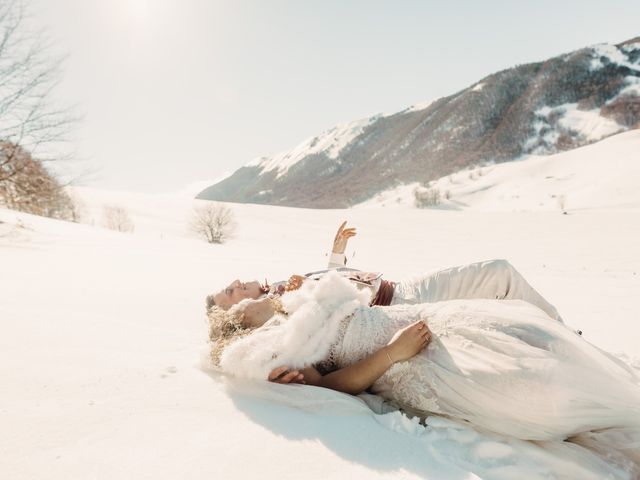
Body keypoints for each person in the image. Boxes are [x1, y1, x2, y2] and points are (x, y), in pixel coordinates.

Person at [208, 271, 640, 471]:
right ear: (240, 324)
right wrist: (393, 355)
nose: (245, 294)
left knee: (533, 338)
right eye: (236, 300)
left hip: (427, 318)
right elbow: (335, 386)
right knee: (536, 388)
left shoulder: (294, 304)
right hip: (409, 357)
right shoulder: (277, 347)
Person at [208, 221, 563, 325]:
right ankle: (561, 331)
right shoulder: (278, 306)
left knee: (497, 279)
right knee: (498, 274)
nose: (237, 283)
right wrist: (301, 296)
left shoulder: (280, 290)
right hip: (399, 303)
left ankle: (556, 328)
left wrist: (335, 254)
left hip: (399, 287)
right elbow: (333, 309)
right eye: (231, 291)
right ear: (237, 309)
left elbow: (335, 285)